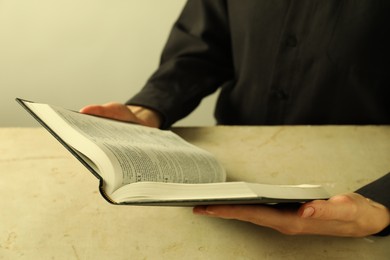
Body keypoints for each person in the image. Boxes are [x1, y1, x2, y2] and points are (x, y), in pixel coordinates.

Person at [80, 1, 390, 237]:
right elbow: (205, 43)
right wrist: (149, 110)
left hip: (365, 179)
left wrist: (381, 204)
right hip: (234, 165)